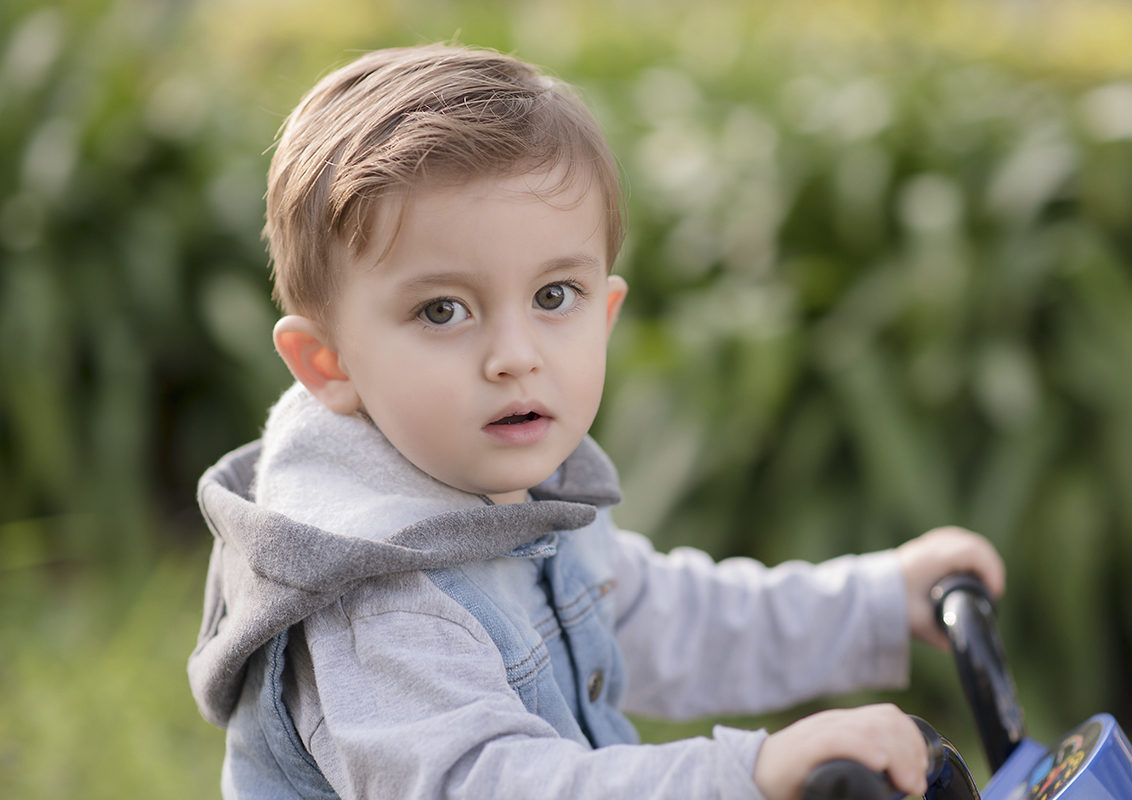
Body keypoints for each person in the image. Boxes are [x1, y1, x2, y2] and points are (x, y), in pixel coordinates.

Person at [187, 44, 1005, 800]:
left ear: (606, 314)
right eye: (443, 310)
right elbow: (502, 784)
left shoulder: (500, 477)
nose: (514, 355)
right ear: (328, 364)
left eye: (553, 298)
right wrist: (746, 773)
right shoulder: (376, 602)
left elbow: (669, 617)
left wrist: (873, 600)